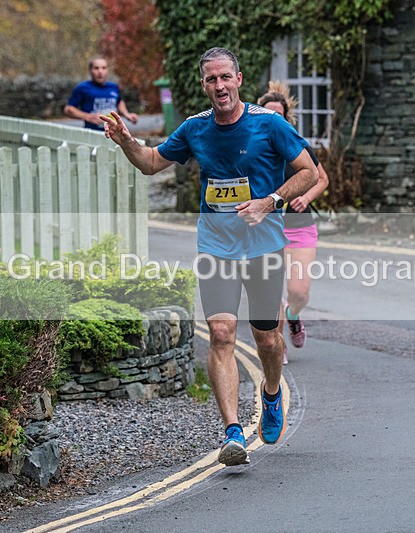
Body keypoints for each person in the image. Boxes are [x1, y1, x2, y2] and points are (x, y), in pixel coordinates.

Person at [100, 47, 318, 467]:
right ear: (204, 85)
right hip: (216, 246)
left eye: (225, 78)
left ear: (239, 79)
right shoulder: (194, 129)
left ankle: (271, 393)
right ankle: (233, 432)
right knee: (221, 334)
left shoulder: (268, 125)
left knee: (268, 339)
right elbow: (149, 163)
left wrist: (270, 201)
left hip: (265, 247)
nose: (219, 86)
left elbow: (307, 171)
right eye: (210, 80)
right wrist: (128, 142)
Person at [257, 82, 330, 365]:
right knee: (271, 291)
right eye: (268, 114)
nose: (274, 119)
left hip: (299, 226)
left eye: (279, 114)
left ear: (286, 118)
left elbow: (321, 178)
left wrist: (306, 196)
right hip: (267, 229)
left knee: (298, 292)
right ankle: (278, 347)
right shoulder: (251, 149)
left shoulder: (297, 145)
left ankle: (293, 314)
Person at [65, 56, 138, 131]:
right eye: (96, 68)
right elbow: (68, 109)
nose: (100, 71)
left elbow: (119, 101)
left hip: (114, 133)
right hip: (93, 134)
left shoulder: (113, 87)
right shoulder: (83, 88)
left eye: (104, 68)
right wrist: (88, 117)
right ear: (90, 70)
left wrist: (127, 114)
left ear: (107, 70)